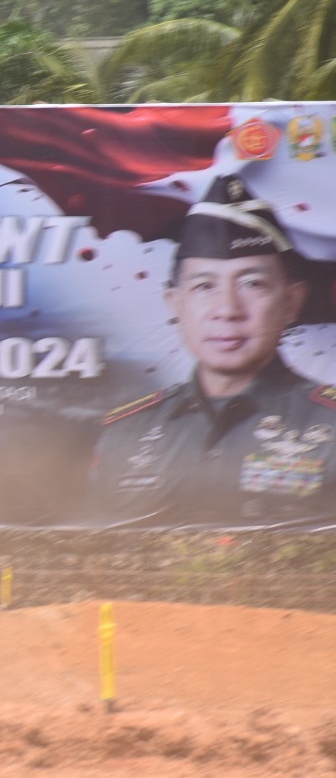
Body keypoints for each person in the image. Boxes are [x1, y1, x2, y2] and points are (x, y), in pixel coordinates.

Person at [88, 174, 336, 527]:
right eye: (204, 286)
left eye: (252, 284)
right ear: (176, 303)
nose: (227, 310)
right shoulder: (126, 431)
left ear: (291, 302)